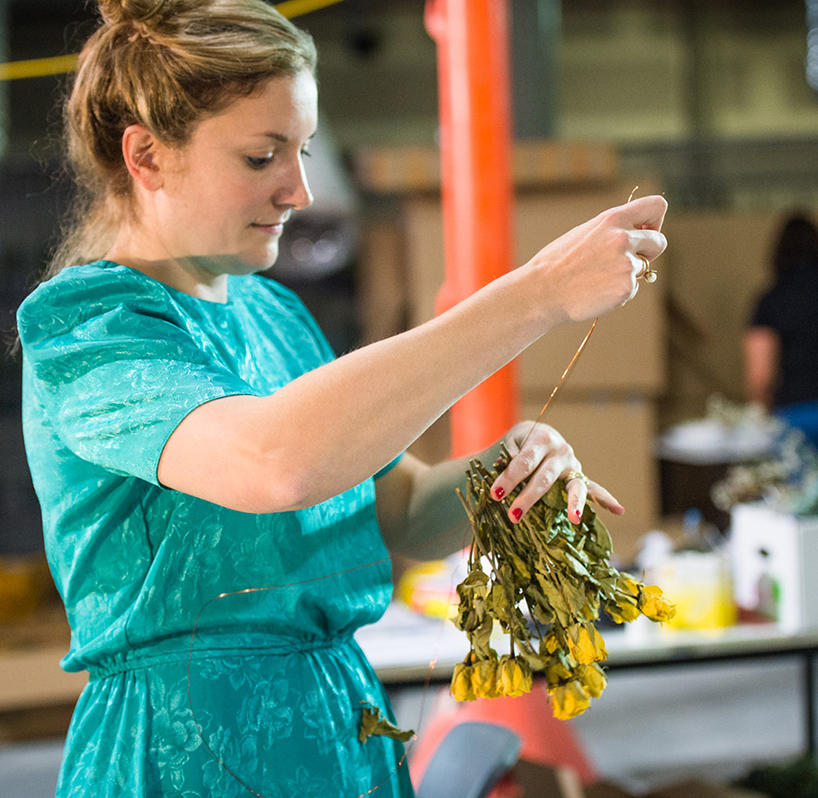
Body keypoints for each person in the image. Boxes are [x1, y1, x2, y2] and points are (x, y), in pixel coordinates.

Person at [15, 1, 667, 795]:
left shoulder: (275, 314)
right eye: (262, 157)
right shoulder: (90, 328)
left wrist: (497, 475)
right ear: (147, 156)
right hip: (181, 755)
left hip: (337, 731)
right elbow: (275, 463)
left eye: (302, 151)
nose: (297, 189)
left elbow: (394, 510)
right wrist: (536, 294)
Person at [745, 213, 818, 447]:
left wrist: (762, 418)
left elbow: (760, 375)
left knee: (797, 484)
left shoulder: (772, 300)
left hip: (794, 415)